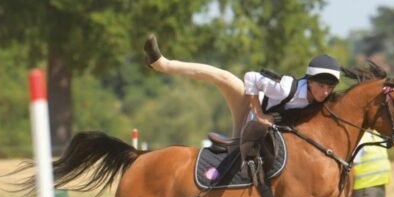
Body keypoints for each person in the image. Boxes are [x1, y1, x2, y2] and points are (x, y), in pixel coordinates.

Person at [144, 35, 342, 139]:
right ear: (309, 81)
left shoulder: (325, 101)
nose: (325, 92)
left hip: (273, 132)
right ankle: (163, 64)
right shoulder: (285, 88)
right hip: (249, 115)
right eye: (321, 86)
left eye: (330, 87)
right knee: (224, 77)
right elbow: (251, 77)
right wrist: (259, 113)